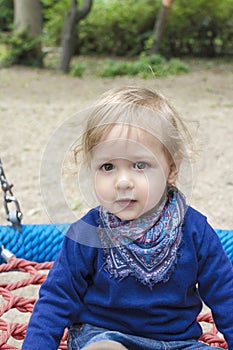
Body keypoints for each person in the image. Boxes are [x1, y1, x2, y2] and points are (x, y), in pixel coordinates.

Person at [22, 87, 233, 350]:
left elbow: (226, 295)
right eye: (107, 167)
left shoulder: (194, 231)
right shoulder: (88, 233)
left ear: (171, 169)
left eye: (140, 165)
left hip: (178, 342)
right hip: (105, 334)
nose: (123, 182)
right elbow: (56, 297)